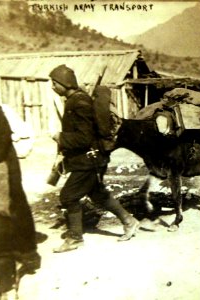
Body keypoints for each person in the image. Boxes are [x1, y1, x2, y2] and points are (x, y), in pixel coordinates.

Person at [49, 65, 140, 253]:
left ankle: (75, 238)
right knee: (98, 194)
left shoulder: (79, 103)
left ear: (65, 83)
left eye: (55, 83)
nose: (52, 87)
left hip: (89, 160)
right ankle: (129, 221)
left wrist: (60, 137)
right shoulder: (74, 100)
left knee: (68, 196)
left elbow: (84, 138)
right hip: (92, 159)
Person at [0, 79, 41, 299]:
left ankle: (10, 280)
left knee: (8, 220)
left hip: (4, 176)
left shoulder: (1, 112)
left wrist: (19, 151)